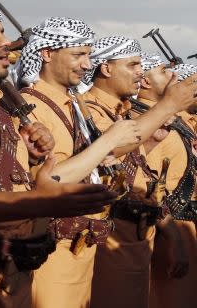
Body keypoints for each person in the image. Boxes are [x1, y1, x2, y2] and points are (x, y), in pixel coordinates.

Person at [0, 1, 116, 308]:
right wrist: (43, 199)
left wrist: (35, 157)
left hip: (21, 274)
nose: (5, 42)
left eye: (2, 33)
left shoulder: (4, 110)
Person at [14, 18, 143, 308]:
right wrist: (107, 142)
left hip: (82, 249)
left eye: (88, 55)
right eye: (78, 55)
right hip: (53, 250)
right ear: (46, 54)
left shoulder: (72, 105)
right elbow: (52, 180)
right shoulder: (28, 107)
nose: (87, 64)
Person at [79, 36, 197, 308]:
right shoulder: (90, 111)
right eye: (133, 65)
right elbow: (113, 161)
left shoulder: (121, 114)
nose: (140, 72)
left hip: (141, 237)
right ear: (106, 69)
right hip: (112, 238)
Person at [134, 54, 196, 308]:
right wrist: (173, 239)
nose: (172, 77)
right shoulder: (145, 122)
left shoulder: (177, 122)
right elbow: (150, 185)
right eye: (163, 72)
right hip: (168, 232)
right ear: (146, 82)